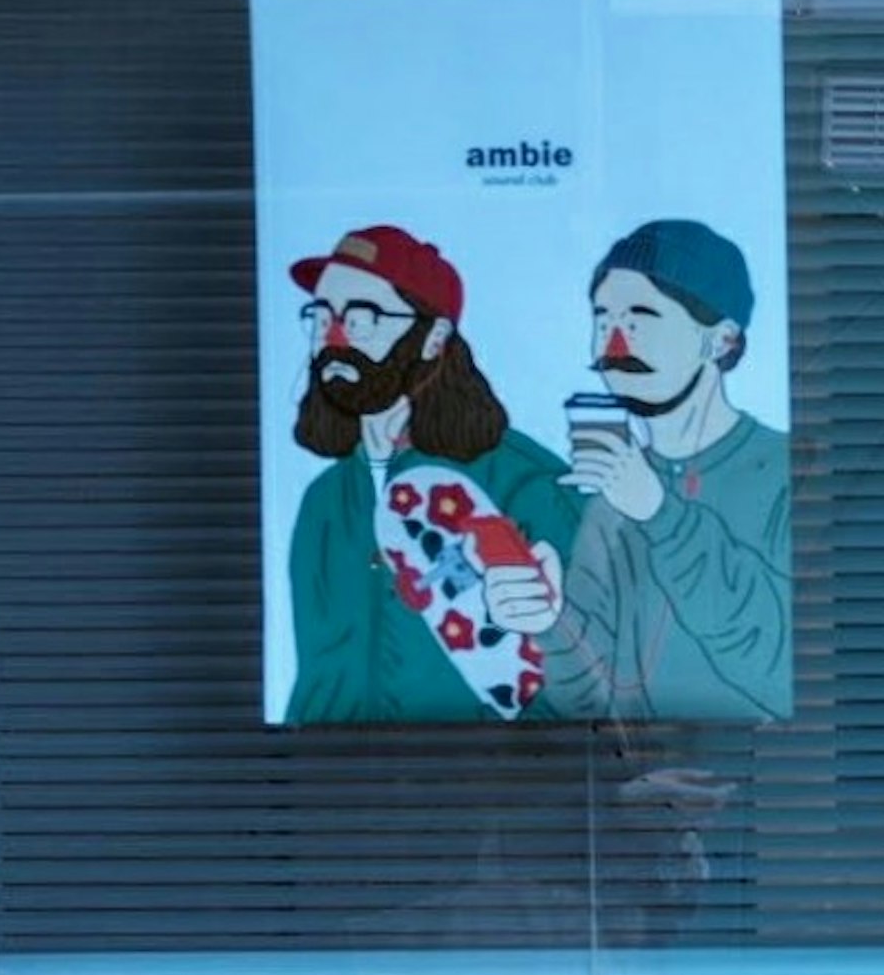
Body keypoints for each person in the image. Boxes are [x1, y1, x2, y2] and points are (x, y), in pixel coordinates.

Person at [280, 222, 575, 724]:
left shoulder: (526, 484)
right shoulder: (324, 503)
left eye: (362, 317)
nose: (332, 337)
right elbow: (315, 685)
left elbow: (605, 675)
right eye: (322, 315)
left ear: (434, 337)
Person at [510, 218, 795, 723]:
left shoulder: (785, 472)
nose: (614, 342)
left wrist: (662, 516)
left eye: (642, 316)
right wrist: (550, 621)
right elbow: (592, 704)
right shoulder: (612, 500)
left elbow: (777, 664)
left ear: (722, 340)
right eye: (602, 318)